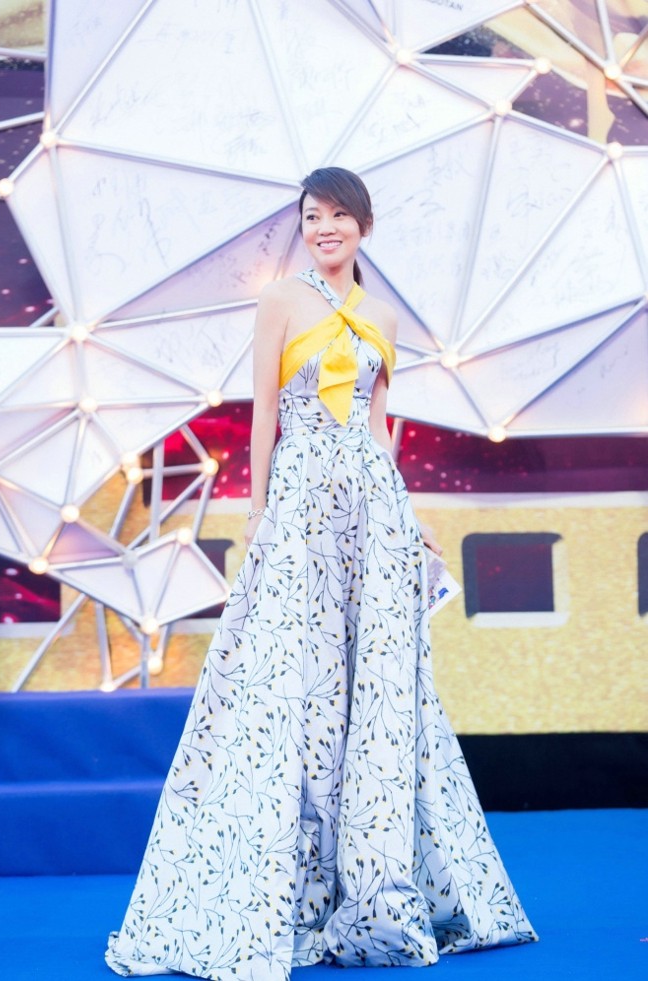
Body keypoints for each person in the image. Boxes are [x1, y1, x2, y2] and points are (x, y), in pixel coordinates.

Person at [106, 167, 537, 979]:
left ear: (363, 225)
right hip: (300, 504)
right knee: (285, 683)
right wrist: (258, 513)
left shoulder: (382, 317)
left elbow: (377, 426)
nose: (325, 227)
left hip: (370, 509)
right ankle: (278, 888)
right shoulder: (279, 301)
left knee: (373, 684)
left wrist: (409, 520)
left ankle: (375, 887)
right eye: (312, 216)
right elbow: (264, 413)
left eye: (339, 214)